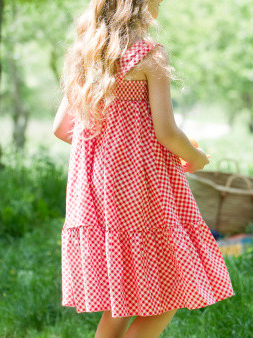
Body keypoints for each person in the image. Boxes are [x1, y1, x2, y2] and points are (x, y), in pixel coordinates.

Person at [52, 1, 234, 337]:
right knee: (168, 292)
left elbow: (62, 129)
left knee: (121, 299)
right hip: (138, 187)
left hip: (95, 190)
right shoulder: (149, 55)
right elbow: (166, 132)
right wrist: (195, 156)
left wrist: (109, 144)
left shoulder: (84, 53)